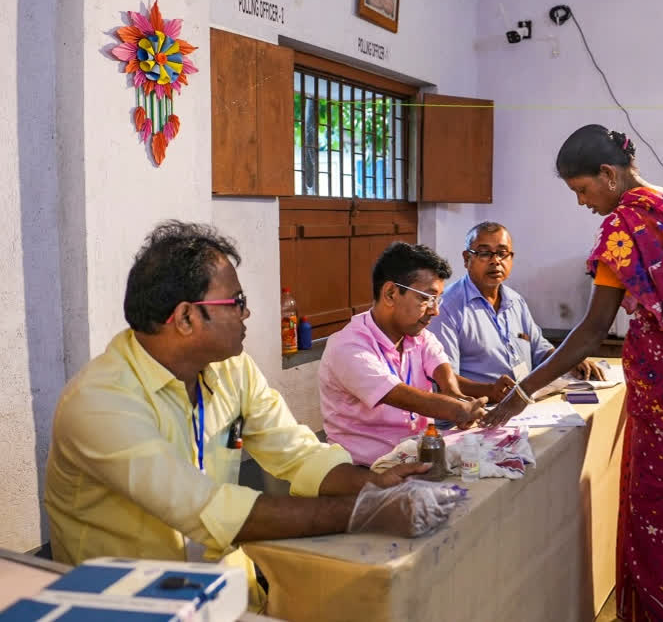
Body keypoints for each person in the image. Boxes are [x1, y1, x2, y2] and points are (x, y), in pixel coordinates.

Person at [43, 221, 429, 612]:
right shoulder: (100, 401)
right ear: (186, 317)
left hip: (231, 595)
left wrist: (372, 484)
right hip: (132, 608)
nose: (247, 313)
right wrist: (365, 512)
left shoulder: (231, 370)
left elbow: (296, 452)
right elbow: (207, 509)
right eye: (237, 301)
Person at [481, 125, 663, 622]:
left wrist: (524, 391)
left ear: (608, 175)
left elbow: (591, 332)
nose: (583, 203)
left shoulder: (623, 227)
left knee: (662, 514)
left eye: (582, 190)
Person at [319, 241, 508, 467]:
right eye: (426, 298)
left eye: (438, 300)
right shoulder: (348, 347)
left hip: (417, 459)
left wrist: (457, 397)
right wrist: (457, 409)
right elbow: (400, 395)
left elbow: (443, 371)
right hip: (365, 471)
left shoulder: (418, 336)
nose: (435, 311)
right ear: (390, 293)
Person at [427, 221, 605, 388]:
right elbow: (444, 380)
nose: (495, 261)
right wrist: (490, 391)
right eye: (484, 253)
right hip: (477, 410)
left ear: (511, 258)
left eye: (502, 253)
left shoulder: (515, 301)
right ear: (467, 259)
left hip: (522, 403)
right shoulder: (447, 308)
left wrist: (570, 361)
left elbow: (540, 350)